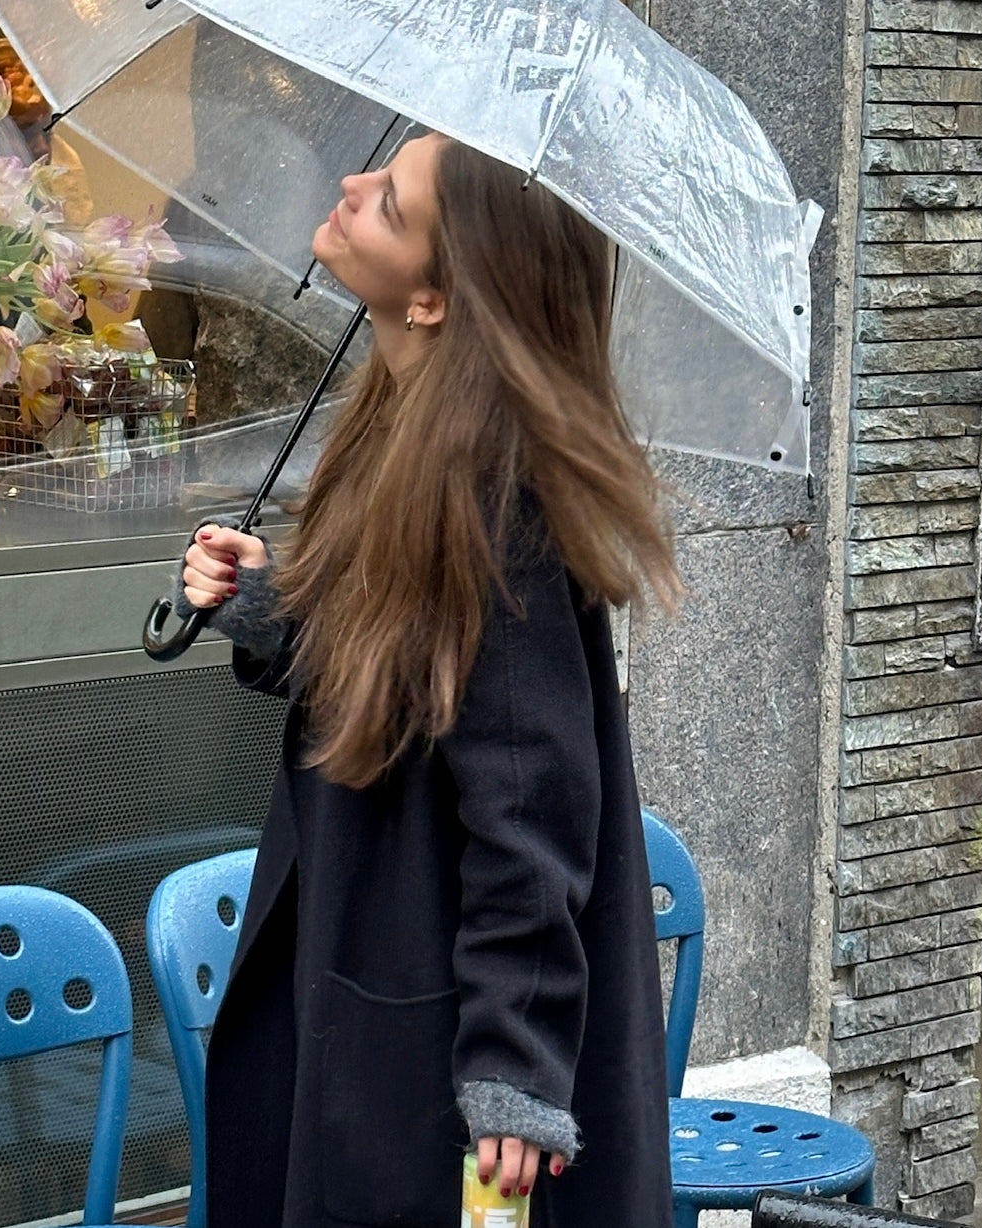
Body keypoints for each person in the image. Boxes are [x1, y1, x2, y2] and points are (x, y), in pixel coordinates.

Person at [174, 132, 682, 1228]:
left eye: (389, 205)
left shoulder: (500, 499)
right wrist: (273, 610)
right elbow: (411, 684)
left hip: (436, 1038)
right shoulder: (397, 428)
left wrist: (513, 1066)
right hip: (370, 973)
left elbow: (531, 800)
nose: (351, 189)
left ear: (437, 298)